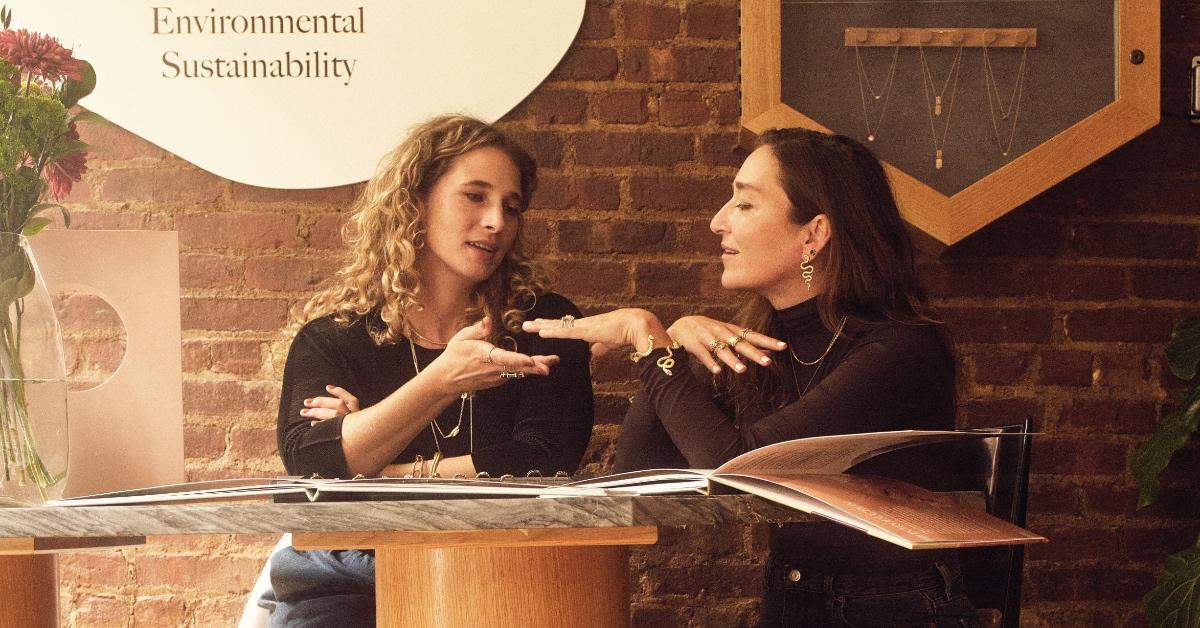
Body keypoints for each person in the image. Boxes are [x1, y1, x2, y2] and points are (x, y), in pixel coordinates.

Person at [523, 128, 980, 627]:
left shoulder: (901, 351)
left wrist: (648, 337)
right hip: (793, 593)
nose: (718, 222)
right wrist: (673, 346)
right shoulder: (759, 345)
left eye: (745, 205)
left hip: (898, 609)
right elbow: (639, 471)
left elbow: (732, 465)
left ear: (814, 234)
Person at [265, 114, 594, 627]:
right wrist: (443, 380)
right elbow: (313, 467)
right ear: (416, 203)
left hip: (498, 572)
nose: (496, 222)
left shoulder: (541, 326)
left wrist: (373, 468)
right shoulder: (332, 339)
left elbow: (544, 462)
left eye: (511, 207)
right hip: (346, 577)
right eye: (475, 197)